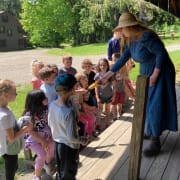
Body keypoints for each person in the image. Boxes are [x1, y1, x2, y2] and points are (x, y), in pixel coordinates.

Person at [99, 12, 177, 157]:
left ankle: (155, 140)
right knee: (147, 103)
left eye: (122, 28)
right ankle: (151, 130)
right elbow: (123, 58)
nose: (121, 32)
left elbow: (161, 54)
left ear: (130, 26)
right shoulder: (131, 40)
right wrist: (107, 75)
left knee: (155, 104)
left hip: (160, 71)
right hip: (147, 72)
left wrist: (155, 75)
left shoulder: (146, 37)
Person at [48, 74, 89, 180]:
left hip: (58, 145)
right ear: (72, 89)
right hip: (68, 147)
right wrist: (82, 140)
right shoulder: (68, 112)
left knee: (61, 172)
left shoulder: (52, 105)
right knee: (68, 175)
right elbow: (72, 138)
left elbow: (51, 123)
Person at [0, 79, 30, 180]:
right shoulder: (5, 115)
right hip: (9, 149)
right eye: (14, 93)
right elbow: (12, 138)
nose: (16, 95)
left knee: (13, 166)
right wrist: (25, 129)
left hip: (4, 145)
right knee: (11, 171)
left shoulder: (4, 108)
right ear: (5, 94)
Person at [21, 89, 55, 180]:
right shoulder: (28, 116)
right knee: (42, 155)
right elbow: (30, 131)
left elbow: (48, 122)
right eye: (44, 97)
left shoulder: (45, 109)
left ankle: (46, 164)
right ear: (37, 102)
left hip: (46, 135)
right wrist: (43, 141)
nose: (46, 98)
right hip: (33, 138)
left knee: (52, 148)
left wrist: (51, 135)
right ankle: (37, 176)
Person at [95, 58, 115, 128]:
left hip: (109, 96)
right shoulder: (97, 75)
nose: (103, 67)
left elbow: (114, 86)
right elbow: (96, 87)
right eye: (101, 65)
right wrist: (97, 97)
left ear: (107, 66)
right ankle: (98, 123)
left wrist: (114, 95)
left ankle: (107, 123)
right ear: (99, 66)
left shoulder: (110, 75)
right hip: (101, 96)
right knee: (99, 110)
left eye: (104, 65)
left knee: (107, 110)